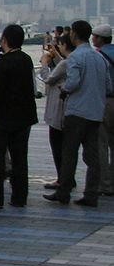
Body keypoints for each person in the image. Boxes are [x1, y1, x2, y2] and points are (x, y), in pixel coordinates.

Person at [45, 20, 112, 207]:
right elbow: (108, 86)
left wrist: (64, 88)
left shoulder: (75, 58)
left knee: (69, 153)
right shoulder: (99, 58)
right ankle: (91, 194)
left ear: (74, 34)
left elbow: (73, 82)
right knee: (94, 156)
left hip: (77, 111)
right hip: (95, 112)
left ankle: (63, 192)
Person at [0, 25, 38, 209]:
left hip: (3, 118)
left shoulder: (4, 61)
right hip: (24, 117)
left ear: (4, 40)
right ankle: (20, 197)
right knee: (20, 159)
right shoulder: (26, 60)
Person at [39, 33, 73, 183]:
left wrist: (45, 63)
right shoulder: (70, 60)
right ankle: (67, 178)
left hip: (58, 111)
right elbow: (62, 66)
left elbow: (48, 79)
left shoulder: (67, 62)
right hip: (68, 110)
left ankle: (62, 179)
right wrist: (56, 55)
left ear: (65, 45)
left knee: (58, 146)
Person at [89, 24, 114, 197]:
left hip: (105, 102)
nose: (92, 39)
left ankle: (105, 184)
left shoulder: (98, 56)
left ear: (99, 39)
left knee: (102, 144)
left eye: (94, 36)